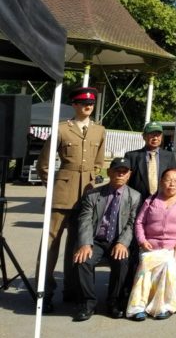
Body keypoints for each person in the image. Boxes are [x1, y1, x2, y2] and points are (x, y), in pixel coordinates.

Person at [36, 86, 106, 311]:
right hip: (61, 195)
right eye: (83, 103)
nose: (88, 106)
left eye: (91, 103)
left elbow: (98, 162)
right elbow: (44, 164)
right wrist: (54, 185)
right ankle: (43, 292)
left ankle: (73, 289)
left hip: (86, 196)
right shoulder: (61, 129)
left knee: (78, 245)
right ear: (74, 105)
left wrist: (92, 180)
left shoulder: (99, 131)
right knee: (50, 244)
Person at [72, 157, 141, 321]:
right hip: (96, 240)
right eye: (117, 171)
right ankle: (88, 303)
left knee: (123, 260)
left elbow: (132, 224)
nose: (120, 174)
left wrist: (122, 243)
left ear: (129, 175)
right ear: (109, 172)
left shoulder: (135, 196)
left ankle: (114, 302)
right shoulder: (93, 195)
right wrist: (85, 243)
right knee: (82, 260)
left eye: (124, 172)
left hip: (117, 241)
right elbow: (85, 220)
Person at [127, 168, 176, 321]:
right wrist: (142, 240)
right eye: (168, 180)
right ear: (161, 182)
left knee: (166, 263)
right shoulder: (151, 200)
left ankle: (163, 306)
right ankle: (138, 306)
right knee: (145, 263)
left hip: (175, 247)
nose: (172, 184)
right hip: (150, 246)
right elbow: (139, 222)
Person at [126, 121, 176, 200]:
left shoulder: (169, 156)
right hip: (137, 202)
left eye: (158, 134)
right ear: (144, 136)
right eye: (152, 134)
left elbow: (174, 179)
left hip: (162, 201)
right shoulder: (131, 156)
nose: (155, 138)